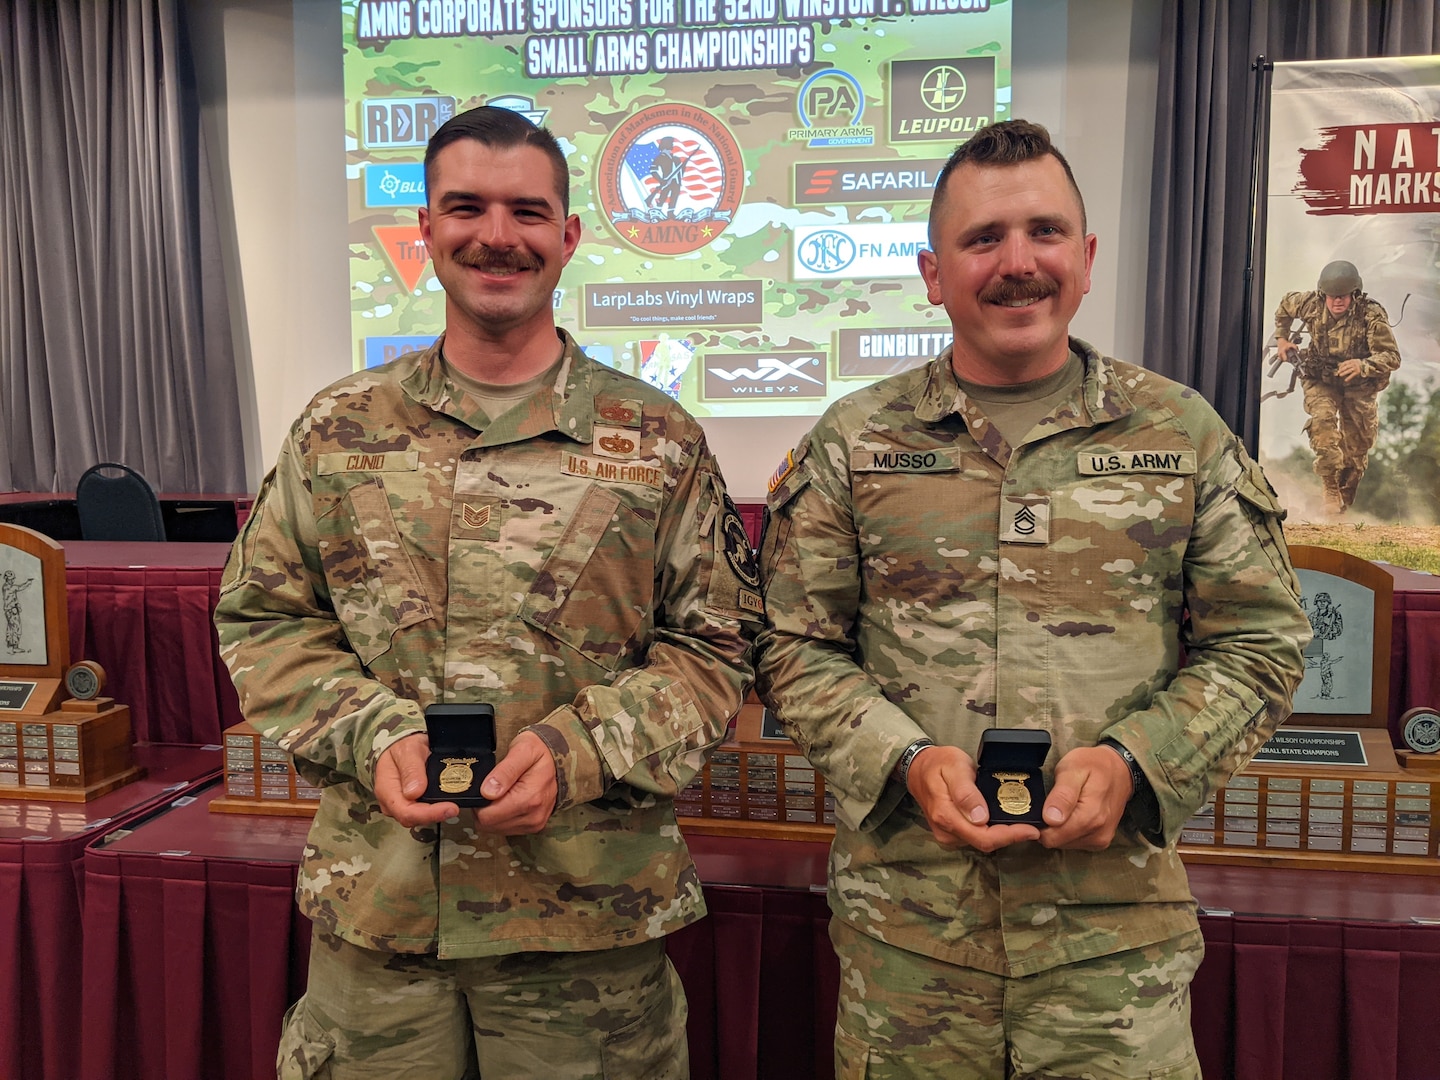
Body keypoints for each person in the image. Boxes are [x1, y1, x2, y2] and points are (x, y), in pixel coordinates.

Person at [214, 105, 761, 1080]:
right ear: (424, 230)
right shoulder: (336, 433)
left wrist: (580, 749)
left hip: (588, 940)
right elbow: (265, 621)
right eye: (465, 207)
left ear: (568, 236)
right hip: (381, 937)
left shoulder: (658, 440)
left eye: (527, 210)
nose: (497, 235)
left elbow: (716, 648)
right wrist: (373, 733)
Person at [756, 120, 1311, 1078]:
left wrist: (1140, 760)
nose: (1018, 264)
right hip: (911, 945)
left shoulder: (1181, 433)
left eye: (1045, 232)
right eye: (983, 240)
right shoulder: (857, 441)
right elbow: (791, 646)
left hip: (1113, 949)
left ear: (1087, 258)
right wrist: (906, 761)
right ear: (934, 274)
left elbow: (1261, 642)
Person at [1273, 260, 1401, 513]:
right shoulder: (1310, 303)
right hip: (1320, 378)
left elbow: (1392, 357)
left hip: (1359, 385)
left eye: (1342, 296)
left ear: (1354, 294)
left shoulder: (1371, 315)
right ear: (1323, 295)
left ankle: (1343, 497)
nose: (1337, 302)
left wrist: (1362, 365)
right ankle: (1329, 489)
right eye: (1331, 297)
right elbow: (1285, 306)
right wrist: (1282, 340)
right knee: (1323, 424)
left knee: (1357, 448)